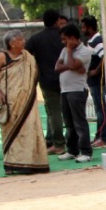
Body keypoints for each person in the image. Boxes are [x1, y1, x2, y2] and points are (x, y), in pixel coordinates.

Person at [0, 30, 50, 175]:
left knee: (30, 130)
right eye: (20, 40)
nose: (24, 41)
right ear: (12, 43)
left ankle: (32, 162)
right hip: (9, 101)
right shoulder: (3, 57)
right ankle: (11, 164)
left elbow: (34, 74)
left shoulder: (28, 58)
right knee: (11, 132)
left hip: (27, 101)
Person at [26, 10, 68, 155]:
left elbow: (25, 55)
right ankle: (72, 141)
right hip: (66, 77)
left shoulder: (36, 39)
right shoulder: (63, 37)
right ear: (57, 21)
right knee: (69, 111)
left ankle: (58, 143)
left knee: (54, 112)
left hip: (47, 80)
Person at [54, 23, 92, 163]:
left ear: (73, 38)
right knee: (69, 122)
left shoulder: (85, 51)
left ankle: (86, 151)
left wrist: (70, 53)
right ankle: (72, 149)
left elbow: (74, 64)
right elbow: (58, 67)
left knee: (79, 122)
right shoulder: (64, 50)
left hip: (77, 90)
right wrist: (71, 65)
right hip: (65, 89)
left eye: (65, 39)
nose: (64, 43)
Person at [80, 16, 106, 147]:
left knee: (101, 109)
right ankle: (99, 136)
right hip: (93, 81)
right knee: (99, 108)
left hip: (98, 81)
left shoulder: (98, 41)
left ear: (90, 28)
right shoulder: (92, 41)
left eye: (84, 27)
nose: (82, 30)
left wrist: (96, 71)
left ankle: (103, 137)